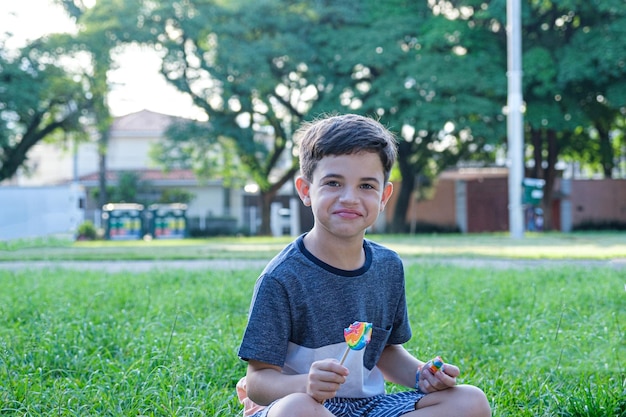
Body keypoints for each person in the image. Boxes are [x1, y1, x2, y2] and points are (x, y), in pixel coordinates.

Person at [237, 114, 492, 417]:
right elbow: (257, 381)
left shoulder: (387, 267)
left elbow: (385, 352)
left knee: (470, 402)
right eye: (333, 183)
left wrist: (420, 375)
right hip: (305, 404)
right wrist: (306, 384)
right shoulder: (281, 278)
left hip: (370, 407)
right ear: (306, 190)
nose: (349, 198)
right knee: (295, 410)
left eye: (366, 186)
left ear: (384, 195)